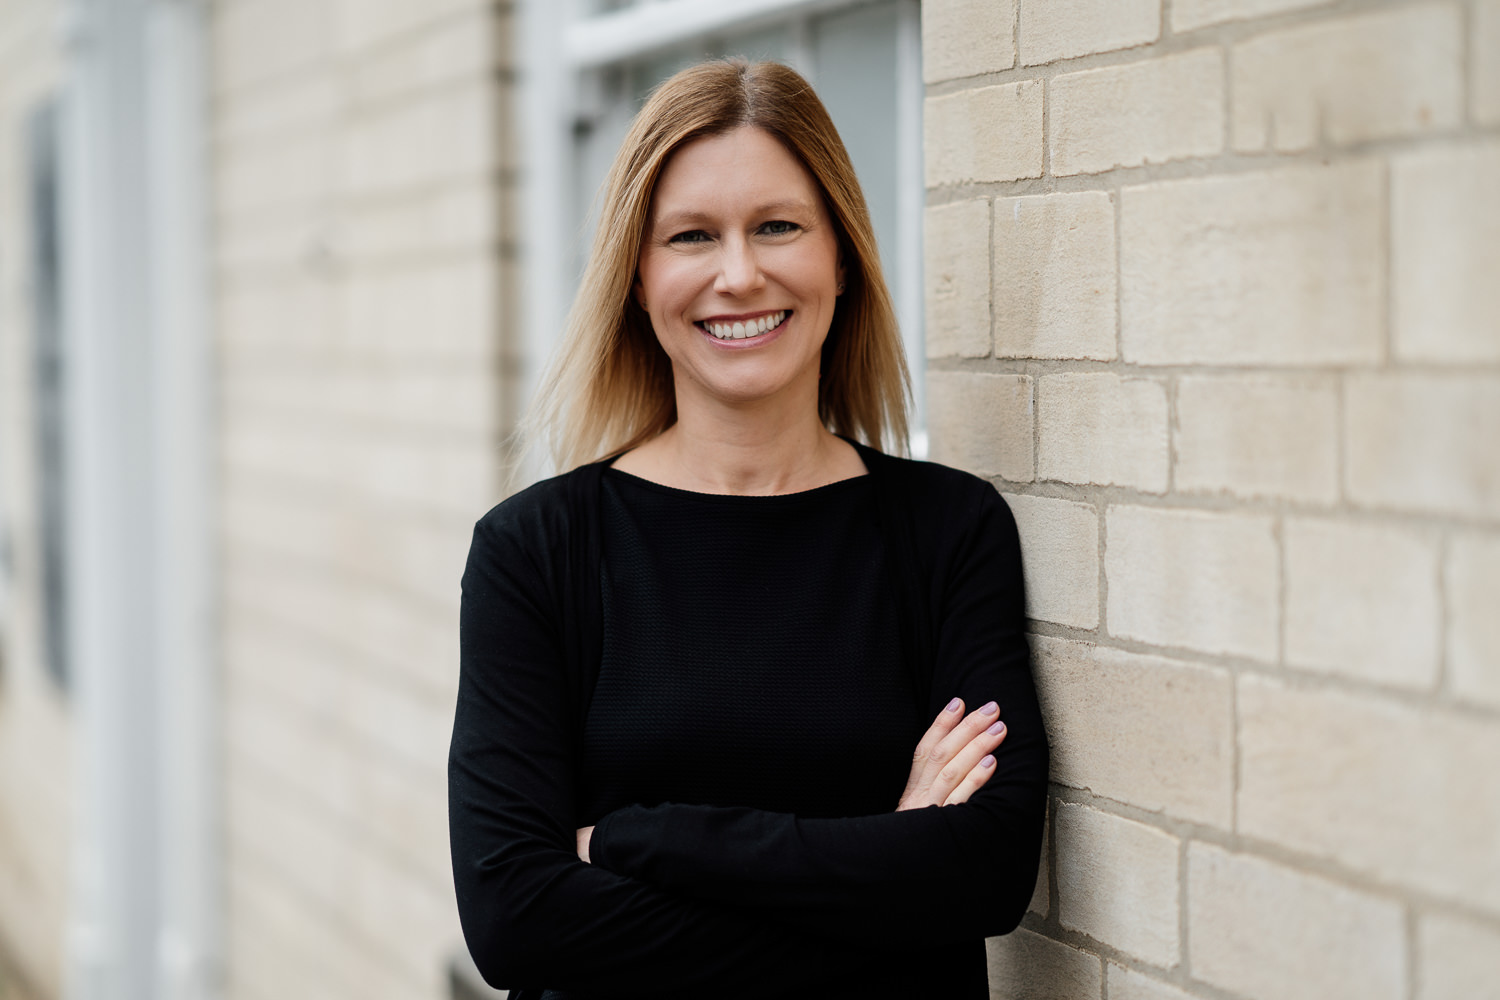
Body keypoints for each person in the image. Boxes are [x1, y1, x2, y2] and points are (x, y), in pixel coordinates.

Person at [449, 59, 1048, 999]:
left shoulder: (949, 531)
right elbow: (516, 922)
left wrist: (640, 839)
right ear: (638, 280)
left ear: (841, 256)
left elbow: (987, 873)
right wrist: (888, 867)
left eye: (778, 226)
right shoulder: (536, 551)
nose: (739, 274)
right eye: (692, 236)